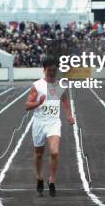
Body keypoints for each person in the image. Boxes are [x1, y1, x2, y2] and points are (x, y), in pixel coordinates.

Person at [25, 56, 74, 197]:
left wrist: (69, 115)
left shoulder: (60, 85)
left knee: (54, 152)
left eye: (55, 70)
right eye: (50, 70)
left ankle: (51, 180)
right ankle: (39, 177)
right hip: (39, 123)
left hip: (53, 122)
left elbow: (64, 100)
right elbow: (27, 106)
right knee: (39, 154)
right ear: (44, 70)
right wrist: (37, 104)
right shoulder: (37, 86)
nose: (52, 73)